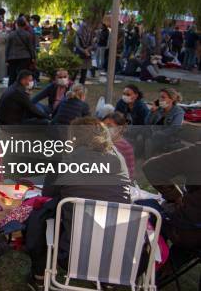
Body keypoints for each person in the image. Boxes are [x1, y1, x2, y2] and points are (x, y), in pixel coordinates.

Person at [28, 117, 131, 287]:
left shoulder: (64, 160)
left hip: (73, 255)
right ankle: (108, 281)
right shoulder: (119, 159)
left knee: (43, 212)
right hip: (121, 256)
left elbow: (48, 195)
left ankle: (39, 275)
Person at [102, 111, 136, 178]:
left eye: (109, 126)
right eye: (103, 126)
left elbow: (129, 174)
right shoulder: (102, 143)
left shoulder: (125, 147)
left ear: (119, 128)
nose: (105, 129)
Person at [5, 16, 35, 86]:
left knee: (12, 75)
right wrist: (33, 57)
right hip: (25, 57)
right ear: (24, 25)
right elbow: (30, 47)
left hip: (12, 57)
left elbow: (8, 47)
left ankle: (10, 89)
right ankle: (22, 87)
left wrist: (6, 59)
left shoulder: (11, 34)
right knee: (23, 74)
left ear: (17, 24)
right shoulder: (27, 34)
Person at [73, 18, 93, 84]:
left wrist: (87, 50)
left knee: (84, 72)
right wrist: (85, 50)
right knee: (75, 71)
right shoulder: (78, 33)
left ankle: (81, 86)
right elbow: (77, 45)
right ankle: (70, 85)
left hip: (85, 55)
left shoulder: (89, 33)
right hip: (80, 54)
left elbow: (92, 44)